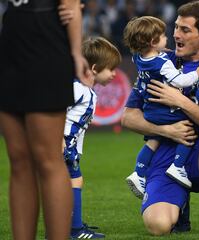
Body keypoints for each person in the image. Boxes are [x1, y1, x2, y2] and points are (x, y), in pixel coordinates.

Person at [121, 1, 199, 235]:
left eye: (185, 30)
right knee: (158, 226)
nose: (176, 34)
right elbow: (128, 117)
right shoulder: (158, 62)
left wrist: (180, 101)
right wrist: (166, 131)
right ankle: (180, 204)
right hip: (165, 156)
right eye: (176, 28)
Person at [0, 0, 91, 239]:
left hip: (46, 40)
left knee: (48, 157)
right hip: (10, 38)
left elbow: (70, 6)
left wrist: (75, 53)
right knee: (18, 158)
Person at [123, 15, 199, 198]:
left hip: (150, 110)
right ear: (153, 42)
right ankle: (178, 167)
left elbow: (146, 54)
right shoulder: (162, 63)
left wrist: (157, 50)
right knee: (189, 126)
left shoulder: (138, 57)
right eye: (162, 36)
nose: (167, 38)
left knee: (153, 140)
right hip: (165, 109)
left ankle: (139, 173)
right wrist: (197, 73)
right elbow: (181, 81)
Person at [63, 37, 121, 239]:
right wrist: (59, 141)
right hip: (61, 147)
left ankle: (67, 226)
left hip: (68, 149)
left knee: (71, 183)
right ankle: (75, 230)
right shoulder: (77, 89)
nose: (114, 74)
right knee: (74, 181)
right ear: (95, 68)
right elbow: (57, 110)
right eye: (111, 69)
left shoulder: (85, 90)